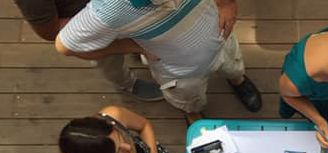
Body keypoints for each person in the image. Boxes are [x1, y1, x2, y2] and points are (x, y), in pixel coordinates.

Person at [54, 0, 261, 123]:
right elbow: (66, 45)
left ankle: (237, 80)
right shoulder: (109, 10)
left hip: (221, 39)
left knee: (233, 66)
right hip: (179, 71)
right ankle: (192, 113)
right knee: (188, 98)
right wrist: (133, 46)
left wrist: (227, 2)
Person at [12, 0, 162, 101]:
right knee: (110, 61)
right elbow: (50, 32)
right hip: (92, 28)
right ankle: (127, 83)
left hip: (123, 12)